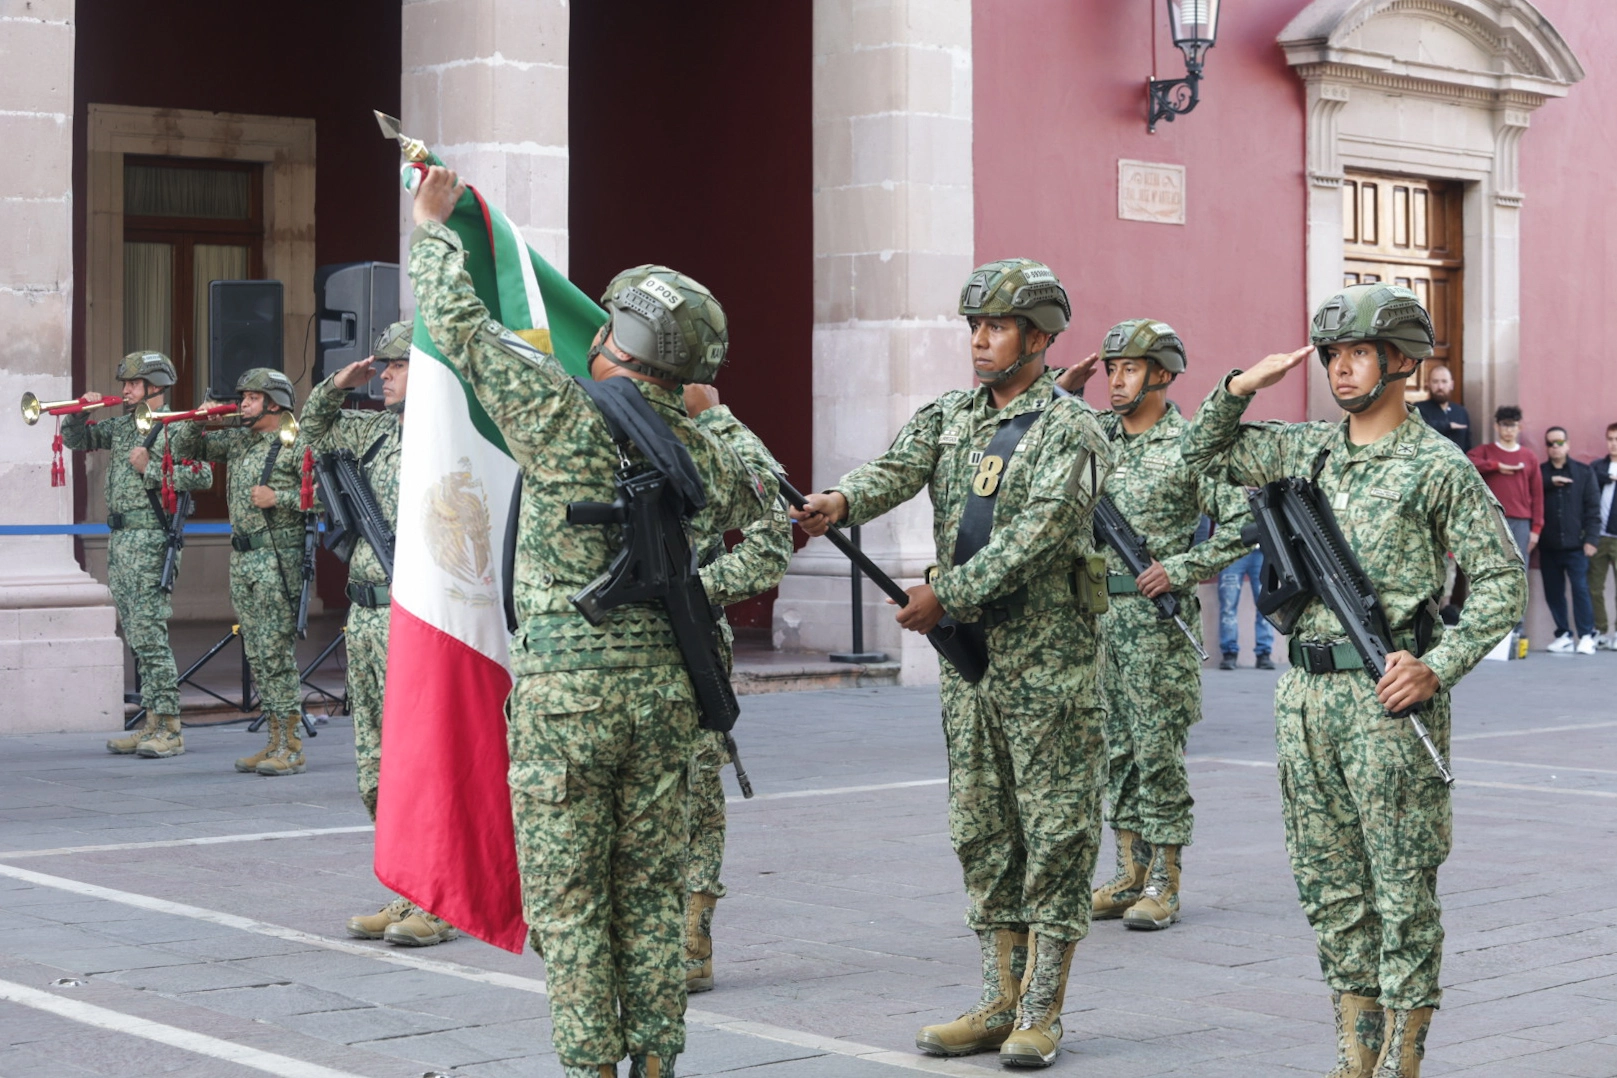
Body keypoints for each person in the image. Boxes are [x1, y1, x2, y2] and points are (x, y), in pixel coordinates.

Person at [408, 165, 767, 1078]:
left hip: (568, 701)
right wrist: (705, 411)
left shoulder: (561, 415)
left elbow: (458, 327)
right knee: (649, 893)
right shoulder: (703, 445)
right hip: (666, 698)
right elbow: (762, 490)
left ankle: (592, 1067)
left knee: (568, 901)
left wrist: (435, 226)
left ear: (618, 337)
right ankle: (654, 1063)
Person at [1180, 284, 1525, 1078]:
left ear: (1400, 361)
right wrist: (1238, 389)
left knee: (1401, 889)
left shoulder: (1434, 466)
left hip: (1385, 699)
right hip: (1303, 698)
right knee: (1328, 886)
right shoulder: (1305, 450)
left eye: (1357, 352)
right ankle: (1353, 1057)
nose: (1339, 368)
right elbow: (1197, 456)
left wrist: (1435, 666)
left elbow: (1500, 583)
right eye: (1332, 354)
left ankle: (1400, 1062)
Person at [795, 259, 1111, 1068]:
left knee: (1054, 831)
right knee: (981, 829)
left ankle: (1041, 1012)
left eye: (996, 326)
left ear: (1039, 338)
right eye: (973, 326)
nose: (978, 340)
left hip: (1049, 669)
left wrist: (946, 594)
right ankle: (995, 999)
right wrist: (840, 500)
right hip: (970, 667)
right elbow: (895, 469)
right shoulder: (950, 416)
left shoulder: (1070, 430)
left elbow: (1035, 541)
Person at [1055, 320, 1249, 933]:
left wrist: (1183, 567)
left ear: (1163, 374)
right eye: (1111, 369)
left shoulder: (1189, 446)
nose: (1115, 380)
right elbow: (1032, 439)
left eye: (1130, 368)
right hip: (1099, 619)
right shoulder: (1096, 435)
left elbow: (1243, 521)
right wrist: (1063, 389)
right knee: (1113, 751)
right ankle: (1127, 872)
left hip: (1158, 625)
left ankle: (1164, 880)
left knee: (1156, 751)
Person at [299, 322, 458, 946]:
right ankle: (407, 888)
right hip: (365, 620)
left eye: (397, 365)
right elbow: (309, 432)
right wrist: (338, 384)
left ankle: (440, 901)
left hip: (417, 617)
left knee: (423, 763)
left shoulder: (452, 440)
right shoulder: (371, 431)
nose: (384, 374)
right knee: (377, 769)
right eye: (383, 365)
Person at [682, 387, 794, 994]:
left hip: (688, 640)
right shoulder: (591, 427)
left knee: (696, 791)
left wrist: (694, 591)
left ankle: (692, 938)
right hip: (605, 653)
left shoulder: (701, 438)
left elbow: (772, 517)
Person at [64, 351, 212, 757]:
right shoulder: (122, 426)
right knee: (135, 634)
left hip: (150, 539)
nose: (125, 390)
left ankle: (170, 726)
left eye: (133, 383)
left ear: (156, 386)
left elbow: (204, 475)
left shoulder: (176, 427)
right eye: (125, 383)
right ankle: (150, 721)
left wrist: (152, 468)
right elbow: (78, 440)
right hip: (122, 541)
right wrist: (80, 412)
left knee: (150, 634)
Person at [171, 368, 312, 776]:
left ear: (273, 403)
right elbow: (186, 449)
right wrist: (200, 419)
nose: (242, 404)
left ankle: (292, 746)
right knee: (256, 652)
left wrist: (279, 497)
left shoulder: (297, 442)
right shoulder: (238, 440)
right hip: (243, 559)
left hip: (276, 560)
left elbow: (326, 497)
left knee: (276, 653)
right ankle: (273, 739)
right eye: (242, 397)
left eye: (251, 398)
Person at [1538, 427, 1601, 654]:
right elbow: (1532, 499)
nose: (1555, 447)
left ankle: (1586, 635)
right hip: (1548, 546)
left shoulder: (1583, 473)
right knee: (1553, 592)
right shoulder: (1540, 474)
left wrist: (1591, 540)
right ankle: (1563, 634)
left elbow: (1593, 510)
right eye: (1550, 443)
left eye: (1559, 442)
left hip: (1577, 546)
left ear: (1568, 444)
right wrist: (1549, 482)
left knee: (1581, 590)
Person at [1466, 406, 1542, 562]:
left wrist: (1536, 529)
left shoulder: (1529, 457)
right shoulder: (1485, 451)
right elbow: (1467, 462)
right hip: (1490, 519)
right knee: (1489, 567)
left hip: (1520, 522)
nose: (1508, 429)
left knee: (1518, 570)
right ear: (1496, 426)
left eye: (1512, 425)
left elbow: (1537, 494)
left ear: (1519, 427)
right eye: (1504, 424)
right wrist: (1496, 466)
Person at [1217, 548, 1274, 670]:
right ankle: (1229, 653)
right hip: (1232, 548)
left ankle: (1264, 653)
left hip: (1261, 549)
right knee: (1228, 606)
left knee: (1266, 605)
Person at [1587, 423, 1617, 649]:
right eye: (1610, 439)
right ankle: (1600, 629)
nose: (1613, 443)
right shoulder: (1597, 468)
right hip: (1599, 536)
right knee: (1594, 587)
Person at [1414, 362, 1470, 451]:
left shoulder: (1461, 411)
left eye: (1444, 381)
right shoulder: (1418, 409)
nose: (1440, 386)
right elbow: (1418, 432)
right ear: (1428, 384)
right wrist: (1448, 426)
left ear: (1451, 385)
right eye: (1435, 381)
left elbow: (1468, 446)